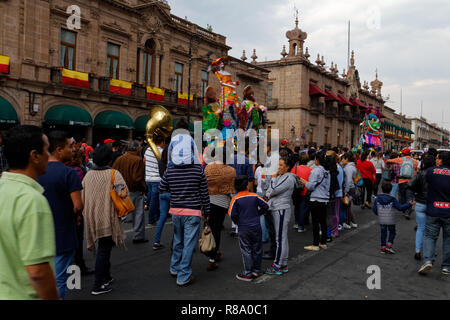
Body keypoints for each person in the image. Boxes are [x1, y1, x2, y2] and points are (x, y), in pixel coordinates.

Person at [0, 126, 59, 300]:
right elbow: (38, 272)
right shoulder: (32, 200)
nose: (49, 155)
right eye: (46, 150)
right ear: (34, 156)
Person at [160, 120, 210, 287]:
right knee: (188, 244)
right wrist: (207, 211)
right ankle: (183, 275)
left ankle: (174, 267)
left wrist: (174, 194)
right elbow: (204, 193)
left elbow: (162, 188)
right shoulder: (198, 170)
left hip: (176, 211)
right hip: (193, 211)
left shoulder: (170, 170)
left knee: (178, 240)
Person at [38, 131, 83, 300]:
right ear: (58, 149)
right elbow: (78, 204)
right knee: (59, 280)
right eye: (69, 147)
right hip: (62, 233)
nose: (72, 150)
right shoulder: (69, 173)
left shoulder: (36, 171)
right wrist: (76, 214)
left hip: (39, 233)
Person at [82, 145, 128, 295]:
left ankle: (106, 276)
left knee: (104, 247)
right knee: (104, 249)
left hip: (92, 217)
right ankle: (98, 285)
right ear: (110, 159)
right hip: (108, 218)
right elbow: (123, 193)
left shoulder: (88, 175)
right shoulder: (114, 173)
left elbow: (83, 196)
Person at [265, 157, 301, 275]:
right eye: (278, 165)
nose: (278, 167)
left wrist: (273, 181)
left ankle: (277, 265)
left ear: (287, 167)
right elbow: (268, 192)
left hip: (281, 209)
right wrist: (271, 187)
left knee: (280, 238)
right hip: (278, 208)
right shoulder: (283, 176)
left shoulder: (288, 178)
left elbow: (272, 191)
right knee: (281, 238)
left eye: (281, 165)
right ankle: (283, 264)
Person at [229, 175, 269, 281]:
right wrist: (258, 214)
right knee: (257, 248)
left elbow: (232, 214)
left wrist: (237, 222)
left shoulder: (235, 199)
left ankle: (247, 273)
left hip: (243, 227)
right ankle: (257, 270)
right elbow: (266, 206)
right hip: (256, 226)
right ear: (247, 185)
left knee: (246, 250)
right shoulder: (254, 196)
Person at [204, 146, 236, 270]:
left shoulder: (207, 168)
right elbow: (231, 189)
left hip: (209, 201)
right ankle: (213, 256)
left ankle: (213, 252)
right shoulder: (231, 170)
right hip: (223, 202)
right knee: (217, 228)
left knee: (211, 228)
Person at [418, 152, 450, 276]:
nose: (436, 160)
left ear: (441, 160)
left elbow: (423, 182)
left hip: (433, 210)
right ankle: (446, 266)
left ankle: (427, 260)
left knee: (430, 236)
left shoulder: (431, 171)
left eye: (437, 158)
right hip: (448, 212)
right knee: (448, 239)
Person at [112, 140, 147, 244]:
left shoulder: (119, 159)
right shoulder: (138, 160)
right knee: (138, 214)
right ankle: (138, 236)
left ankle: (114, 235)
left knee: (120, 214)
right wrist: (143, 188)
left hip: (120, 189)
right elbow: (137, 178)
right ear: (136, 149)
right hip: (134, 190)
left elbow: (113, 173)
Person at [373, 183, 415, 254]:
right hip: (390, 219)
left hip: (382, 219)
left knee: (383, 233)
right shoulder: (392, 199)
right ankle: (389, 246)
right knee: (392, 232)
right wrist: (409, 204)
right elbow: (400, 208)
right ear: (390, 190)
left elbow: (374, 209)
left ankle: (383, 247)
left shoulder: (377, 198)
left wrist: (379, 214)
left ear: (382, 189)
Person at [302, 152, 331, 251]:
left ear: (317, 160)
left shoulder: (316, 171)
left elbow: (310, 186)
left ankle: (315, 244)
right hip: (324, 198)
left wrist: (304, 182)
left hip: (316, 198)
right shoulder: (327, 172)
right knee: (323, 221)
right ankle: (323, 242)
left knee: (315, 222)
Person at [408, 155, 435, 260]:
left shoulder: (420, 174)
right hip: (431, 204)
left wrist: (412, 196)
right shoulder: (435, 175)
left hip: (419, 203)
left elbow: (410, 185)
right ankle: (431, 250)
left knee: (420, 228)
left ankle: (417, 251)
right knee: (431, 229)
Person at [387, 148, 419, 219]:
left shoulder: (400, 159)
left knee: (402, 196)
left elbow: (388, 161)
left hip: (401, 181)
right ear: (410, 154)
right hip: (411, 182)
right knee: (409, 197)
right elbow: (418, 171)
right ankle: (407, 212)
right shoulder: (415, 161)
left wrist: (388, 164)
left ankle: (404, 209)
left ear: (403, 154)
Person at [153, 143, 171, 250]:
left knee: (162, 217)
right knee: (177, 218)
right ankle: (177, 243)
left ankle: (156, 241)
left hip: (162, 191)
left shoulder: (160, 162)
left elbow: (161, 176)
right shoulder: (174, 163)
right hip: (172, 192)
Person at [144, 135, 165, 224]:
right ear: (162, 142)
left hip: (148, 178)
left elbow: (144, 161)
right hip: (156, 179)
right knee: (154, 200)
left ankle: (156, 217)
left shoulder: (148, 150)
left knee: (153, 198)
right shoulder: (161, 151)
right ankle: (151, 219)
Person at [291, 153, 312, 233]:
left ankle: (296, 223)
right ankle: (301, 226)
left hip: (296, 191)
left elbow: (291, 178)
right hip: (305, 191)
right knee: (303, 209)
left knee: (296, 207)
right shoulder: (310, 170)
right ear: (307, 161)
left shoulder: (295, 168)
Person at [326, 150, 344, 238]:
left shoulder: (338, 168)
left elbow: (339, 183)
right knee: (331, 213)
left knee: (334, 213)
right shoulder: (332, 167)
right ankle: (331, 230)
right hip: (332, 193)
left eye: (327, 156)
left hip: (336, 193)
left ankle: (335, 230)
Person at [341, 152, 358, 229]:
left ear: (347, 159)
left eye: (343, 159)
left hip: (348, 188)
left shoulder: (348, 168)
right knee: (348, 205)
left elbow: (348, 180)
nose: (342, 161)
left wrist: (345, 191)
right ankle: (353, 222)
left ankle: (348, 222)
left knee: (347, 205)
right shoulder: (353, 166)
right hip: (352, 188)